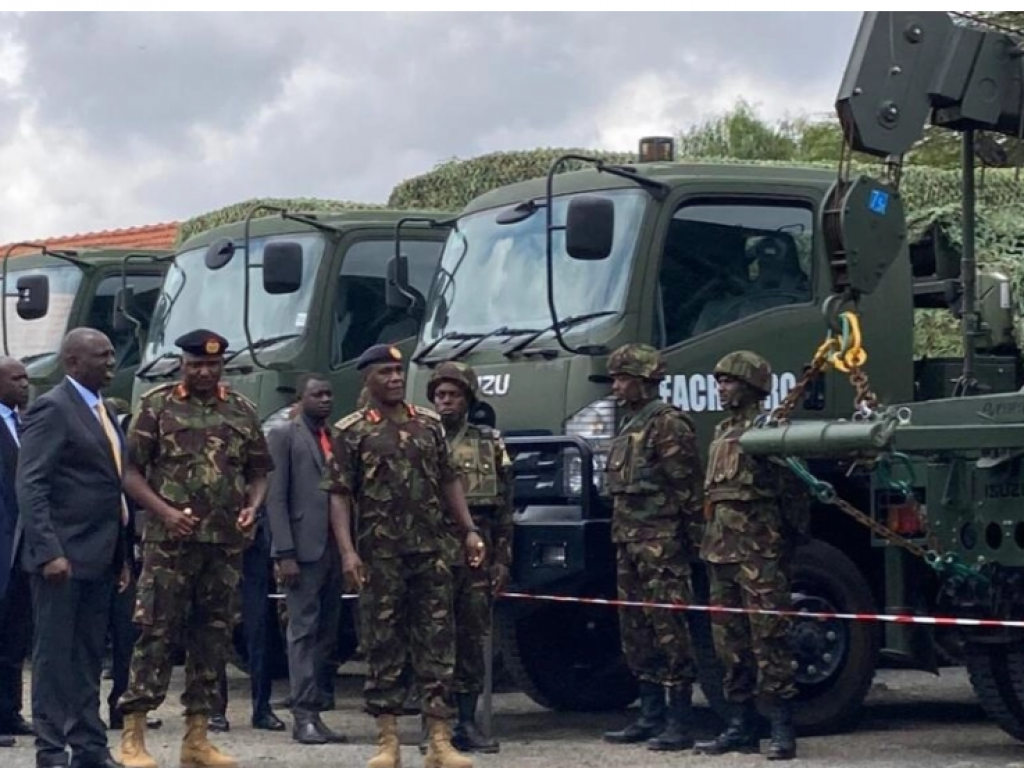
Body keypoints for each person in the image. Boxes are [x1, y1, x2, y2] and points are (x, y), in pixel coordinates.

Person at [322, 343, 485, 768]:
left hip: (431, 552)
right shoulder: (352, 431)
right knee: (382, 645)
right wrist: (347, 552)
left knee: (438, 644)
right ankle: (388, 740)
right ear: (367, 379)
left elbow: (449, 480)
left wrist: (469, 530)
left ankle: (439, 741)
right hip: (380, 557)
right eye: (385, 373)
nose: (395, 379)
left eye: (398, 372)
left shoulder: (428, 425)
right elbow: (339, 495)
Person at [116, 329, 273, 768]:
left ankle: (197, 738)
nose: (205, 372)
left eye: (212, 365)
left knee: (213, 636)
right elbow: (130, 472)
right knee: (155, 633)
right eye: (196, 364)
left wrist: (253, 507)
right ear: (181, 364)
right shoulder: (157, 406)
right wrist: (164, 513)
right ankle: (133, 735)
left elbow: (259, 471)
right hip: (170, 544)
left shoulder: (241, 410)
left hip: (223, 545)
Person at [16, 328, 132, 768]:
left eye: (111, 353)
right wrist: (49, 550)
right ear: (73, 362)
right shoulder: (53, 408)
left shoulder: (105, 410)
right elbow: (31, 484)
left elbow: (111, 486)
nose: (111, 362)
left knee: (88, 656)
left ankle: (89, 745)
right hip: (62, 558)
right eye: (101, 355)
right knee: (53, 657)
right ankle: (50, 749)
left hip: (101, 555)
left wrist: (122, 555)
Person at [693, 351, 809, 761]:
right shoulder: (721, 432)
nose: (721, 388)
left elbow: (794, 492)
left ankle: (781, 726)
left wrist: (781, 545)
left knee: (770, 637)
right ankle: (740, 725)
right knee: (729, 642)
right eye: (719, 381)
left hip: (759, 553)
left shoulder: (770, 430)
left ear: (751, 386)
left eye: (729, 381)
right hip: (720, 553)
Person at [599, 344, 706, 752]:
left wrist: (694, 541)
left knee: (668, 627)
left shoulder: (668, 424)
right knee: (635, 628)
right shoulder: (629, 425)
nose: (615, 386)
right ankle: (650, 714)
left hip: (661, 543)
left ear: (644, 381)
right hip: (628, 542)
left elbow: (687, 488)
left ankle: (679, 719)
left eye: (622, 378)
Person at [426, 362, 512, 754]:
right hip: (433, 553)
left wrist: (502, 560)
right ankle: (434, 726)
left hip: (478, 553)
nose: (446, 402)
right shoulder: (422, 440)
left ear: (468, 400)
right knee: (432, 640)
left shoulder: (489, 442)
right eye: (440, 395)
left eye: (454, 395)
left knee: (472, 639)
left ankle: (466, 721)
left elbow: (506, 507)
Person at [266, 373, 347, 745]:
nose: (325, 400)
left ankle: (316, 707)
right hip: (302, 548)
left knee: (326, 633)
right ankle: (303, 715)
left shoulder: (335, 436)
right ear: (300, 399)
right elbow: (276, 497)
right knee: (302, 631)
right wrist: (284, 552)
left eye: (329, 394)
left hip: (335, 546)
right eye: (317, 394)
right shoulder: (284, 435)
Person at [0, 356, 31, 747]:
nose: (25, 384)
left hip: (23, 547)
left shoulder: (26, 423)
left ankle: (9, 713)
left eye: (26, 378)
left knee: (15, 636)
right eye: (16, 379)